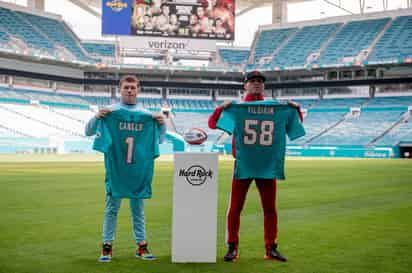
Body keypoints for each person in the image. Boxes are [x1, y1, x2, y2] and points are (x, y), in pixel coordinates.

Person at [208, 71, 305, 262]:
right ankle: (232, 246)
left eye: (260, 81)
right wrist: (221, 108)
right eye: (252, 81)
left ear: (264, 86)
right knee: (236, 207)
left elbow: (296, 125)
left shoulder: (278, 108)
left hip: (267, 164)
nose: (256, 84)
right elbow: (212, 124)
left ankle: (271, 248)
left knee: (270, 208)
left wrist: (296, 109)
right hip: (244, 163)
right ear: (245, 85)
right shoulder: (237, 108)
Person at [85, 75, 166, 263]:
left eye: (133, 87)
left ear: (138, 90)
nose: (129, 90)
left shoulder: (147, 115)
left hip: (137, 170)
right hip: (117, 170)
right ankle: (106, 247)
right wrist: (97, 116)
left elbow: (160, 139)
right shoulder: (110, 113)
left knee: (138, 210)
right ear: (119, 90)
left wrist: (161, 123)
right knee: (111, 209)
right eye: (126, 87)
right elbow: (88, 131)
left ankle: (142, 246)